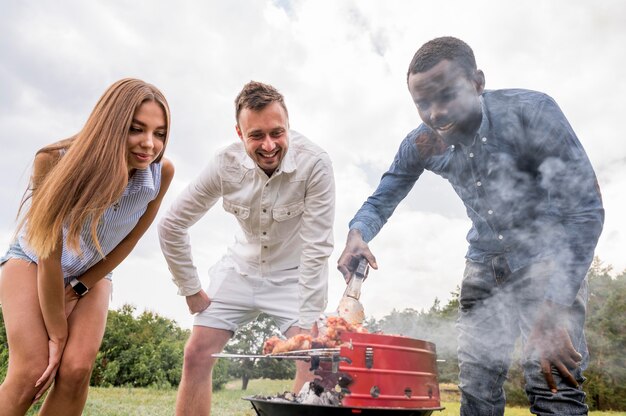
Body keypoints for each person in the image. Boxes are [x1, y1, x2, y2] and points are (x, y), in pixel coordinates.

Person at [337, 37, 604, 415]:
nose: (435, 113)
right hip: (483, 266)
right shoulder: (422, 143)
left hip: (548, 263)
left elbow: (585, 210)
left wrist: (554, 306)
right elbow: (383, 197)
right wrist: (357, 235)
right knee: (477, 389)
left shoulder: (532, 111)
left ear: (477, 82)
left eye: (446, 96)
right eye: (422, 103)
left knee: (552, 384)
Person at [158, 81, 335, 416]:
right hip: (239, 270)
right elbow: (171, 224)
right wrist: (191, 289)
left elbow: (317, 246)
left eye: (276, 133)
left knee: (316, 363)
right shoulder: (224, 164)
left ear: (288, 127)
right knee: (196, 353)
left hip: (294, 277)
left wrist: (312, 317)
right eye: (256, 135)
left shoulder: (316, 164)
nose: (268, 145)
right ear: (239, 133)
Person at [0, 78, 174, 416]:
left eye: (160, 133)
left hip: (94, 270)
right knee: (33, 372)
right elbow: (49, 251)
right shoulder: (53, 159)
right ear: (112, 123)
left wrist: (81, 286)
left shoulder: (160, 173)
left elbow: (131, 239)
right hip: (35, 260)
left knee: (77, 370)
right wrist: (57, 333)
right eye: (136, 129)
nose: (149, 144)